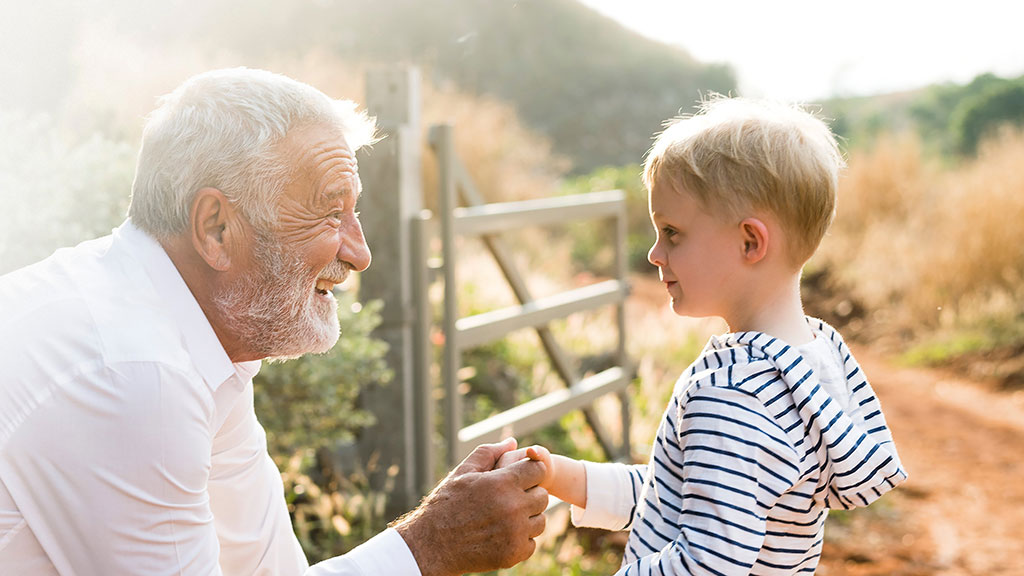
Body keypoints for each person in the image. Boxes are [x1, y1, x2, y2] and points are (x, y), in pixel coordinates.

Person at [0, 68, 548, 576]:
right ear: (216, 229)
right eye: (331, 211)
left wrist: (431, 540)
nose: (360, 253)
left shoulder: (197, 340)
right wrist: (429, 545)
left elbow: (268, 571)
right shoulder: (134, 372)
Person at [499, 96, 908, 574]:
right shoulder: (814, 360)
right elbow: (682, 493)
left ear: (750, 241)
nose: (655, 253)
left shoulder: (731, 394)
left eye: (672, 232)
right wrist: (560, 476)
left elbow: (707, 563)